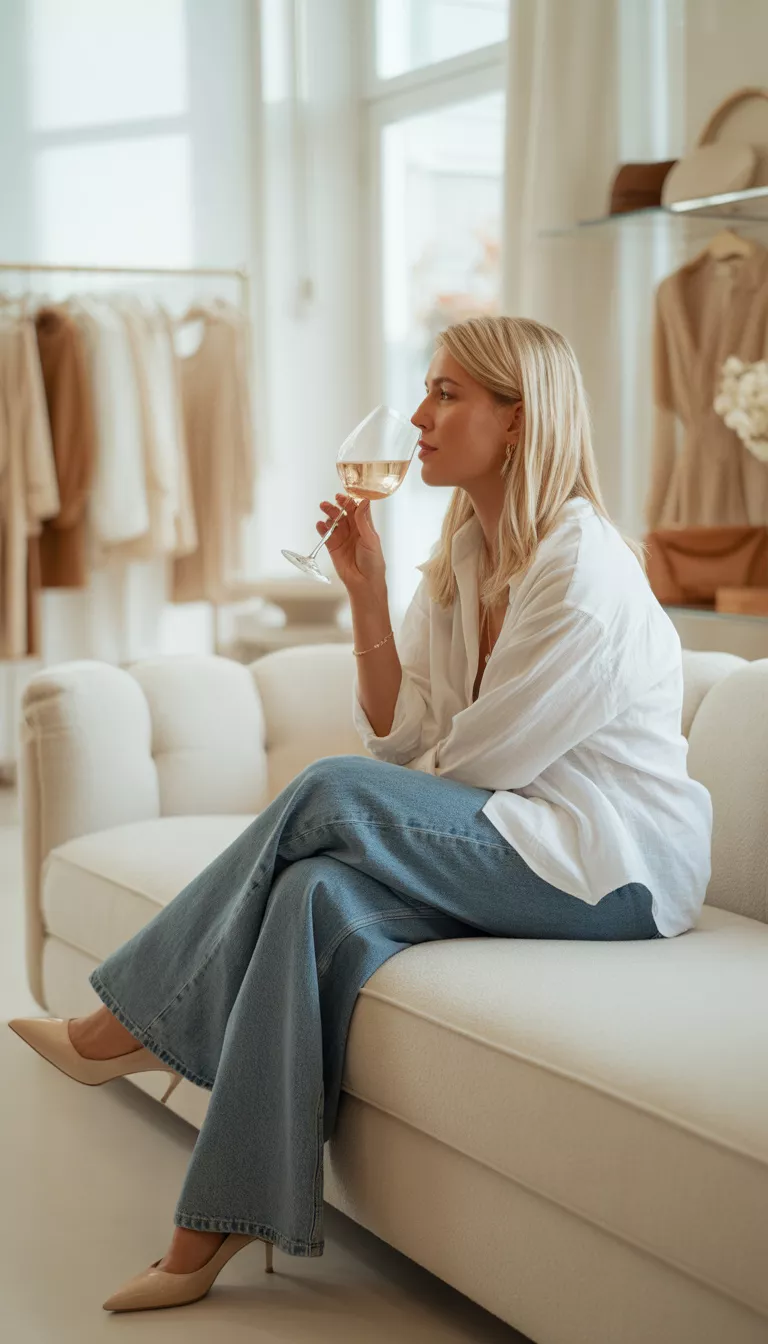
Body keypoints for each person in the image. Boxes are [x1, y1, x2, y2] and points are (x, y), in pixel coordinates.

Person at [9, 315, 712, 1313]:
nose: (419, 418)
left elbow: (479, 764)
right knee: (313, 894)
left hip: (610, 869)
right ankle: (210, 1227)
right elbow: (405, 739)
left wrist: (398, 783)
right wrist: (371, 598)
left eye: (447, 396)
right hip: (508, 838)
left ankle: (123, 1023)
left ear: (519, 421)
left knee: (330, 792)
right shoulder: (465, 549)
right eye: (425, 391)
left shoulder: (586, 573)